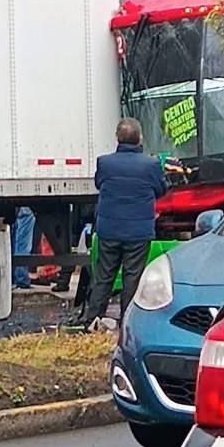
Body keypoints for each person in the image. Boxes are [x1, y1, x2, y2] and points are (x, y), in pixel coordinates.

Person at [78, 118, 167, 330]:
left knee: (104, 276)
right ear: (140, 139)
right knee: (132, 278)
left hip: (109, 230)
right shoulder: (151, 164)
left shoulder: (105, 163)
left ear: (118, 138)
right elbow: (161, 190)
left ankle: (93, 319)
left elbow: (99, 183)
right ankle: (128, 322)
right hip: (138, 232)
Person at [11, 207, 35, 290]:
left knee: (13, 239)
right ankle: (21, 279)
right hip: (25, 204)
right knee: (23, 243)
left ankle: (12, 277)